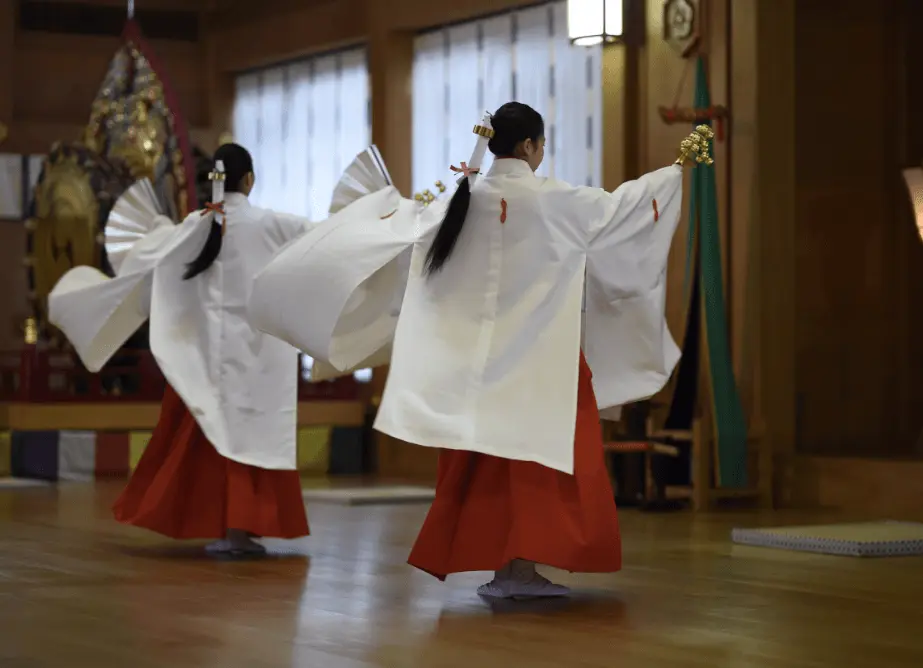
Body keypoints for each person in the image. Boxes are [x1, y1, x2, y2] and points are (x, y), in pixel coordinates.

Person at [248, 104, 712, 594]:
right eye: (541, 143)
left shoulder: (458, 201)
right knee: (539, 464)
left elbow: (401, 243)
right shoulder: (555, 199)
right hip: (541, 357)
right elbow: (625, 210)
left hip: (473, 365)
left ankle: (504, 570)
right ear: (530, 146)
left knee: (488, 466)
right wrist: (673, 172)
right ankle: (522, 570)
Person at [49, 143, 313, 557]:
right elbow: (328, 241)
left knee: (211, 439)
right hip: (259, 357)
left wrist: (154, 226)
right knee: (253, 436)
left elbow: (148, 264)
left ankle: (231, 529)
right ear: (250, 180)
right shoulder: (273, 224)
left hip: (207, 359)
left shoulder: (196, 224)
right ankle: (240, 528)